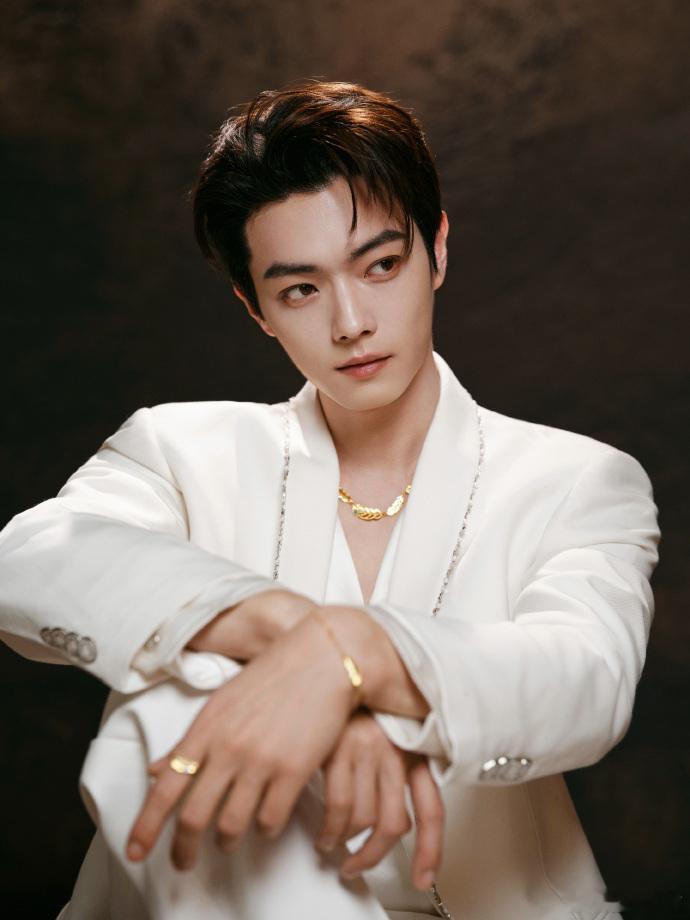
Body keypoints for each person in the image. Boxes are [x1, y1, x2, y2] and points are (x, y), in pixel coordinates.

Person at [0, 81, 660, 920]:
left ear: (438, 250)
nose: (351, 322)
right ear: (256, 309)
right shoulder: (182, 450)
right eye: (301, 289)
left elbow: (585, 680)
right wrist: (292, 638)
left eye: (381, 265)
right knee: (173, 695)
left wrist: (365, 651)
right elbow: (28, 561)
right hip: (202, 899)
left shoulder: (576, 480)